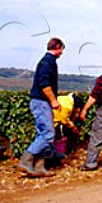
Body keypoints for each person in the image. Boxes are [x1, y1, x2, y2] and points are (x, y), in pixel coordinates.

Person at [18, 37, 65, 177]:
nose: (62, 52)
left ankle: (39, 166)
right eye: (61, 49)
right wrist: (53, 101)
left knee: (42, 133)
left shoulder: (47, 62)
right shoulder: (47, 63)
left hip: (40, 102)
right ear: (57, 47)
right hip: (41, 102)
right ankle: (26, 161)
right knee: (48, 134)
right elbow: (44, 84)